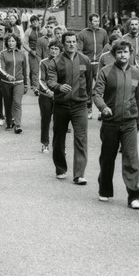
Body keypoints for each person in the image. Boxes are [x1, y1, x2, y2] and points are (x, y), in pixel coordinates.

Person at [93, 39, 139, 209]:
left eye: (125, 52)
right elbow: (97, 94)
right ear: (114, 54)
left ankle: (133, 195)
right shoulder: (105, 71)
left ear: (130, 54)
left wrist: (138, 122)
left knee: (131, 158)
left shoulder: (138, 74)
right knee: (108, 157)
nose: (123, 55)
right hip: (110, 122)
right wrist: (103, 107)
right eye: (119, 52)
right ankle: (104, 189)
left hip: (129, 122)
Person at [47, 32, 93, 184]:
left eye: (74, 41)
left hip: (80, 105)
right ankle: (60, 168)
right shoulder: (56, 61)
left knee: (81, 139)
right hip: (61, 105)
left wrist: (89, 103)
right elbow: (51, 81)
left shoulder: (85, 60)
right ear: (63, 43)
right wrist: (59, 87)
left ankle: (79, 174)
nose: (72, 44)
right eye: (68, 42)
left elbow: (88, 82)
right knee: (59, 138)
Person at [0, 33, 30, 133]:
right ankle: (8, 121)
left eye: (13, 41)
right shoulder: (3, 53)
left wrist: (25, 84)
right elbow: (0, 68)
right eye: (9, 41)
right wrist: (7, 75)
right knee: (8, 103)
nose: (11, 43)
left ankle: (17, 125)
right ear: (6, 42)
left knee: (17, 103)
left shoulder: (22, 54)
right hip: (6, 82)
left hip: (19, 82)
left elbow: (25, 69)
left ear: (17, 42)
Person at [37, 41, 61, 153]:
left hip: (59, 96)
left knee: (60, 122)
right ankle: (45, 143)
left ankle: (60, 145)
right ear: (48, 49)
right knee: (45, 120)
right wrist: (47, 90)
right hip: (45, 95)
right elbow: (41, 79)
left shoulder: (63, 62)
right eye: (52, 48)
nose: (54, 51)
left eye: (56, 49)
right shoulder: (43, 62)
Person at [24, 15, 43, 93]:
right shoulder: (28, 31)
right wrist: (31, 51)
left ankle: (41, 85)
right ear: (31, 23)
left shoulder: (42, 30)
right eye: (33, 22)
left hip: (42, 52)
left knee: (42, 69)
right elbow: (24, 43)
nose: (35, 23)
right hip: (33, 52)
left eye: (36, 21)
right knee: (34, 70)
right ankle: (35, 87)